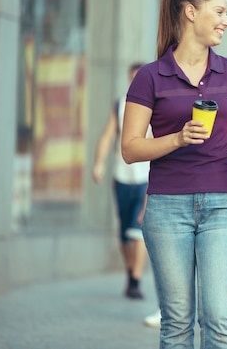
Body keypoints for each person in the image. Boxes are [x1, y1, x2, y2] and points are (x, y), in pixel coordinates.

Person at [121, 0, 227, 349]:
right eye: (220, 11)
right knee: (177, 323)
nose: (226, 21)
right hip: (167, 207)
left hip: (223, 205)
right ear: (190, 12)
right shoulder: (150, 77)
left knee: (219, 319)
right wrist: (178, 138)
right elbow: (130, 148)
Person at [92, 62, 150, 300]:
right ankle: (130, 271)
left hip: (146, 177)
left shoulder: (155, 104)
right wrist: (99, 162)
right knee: (125, 234)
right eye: (133, 78)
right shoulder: (121, 105)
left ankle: (135, 280)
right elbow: (107, 135)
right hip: (122, 177)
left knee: (139, 230)